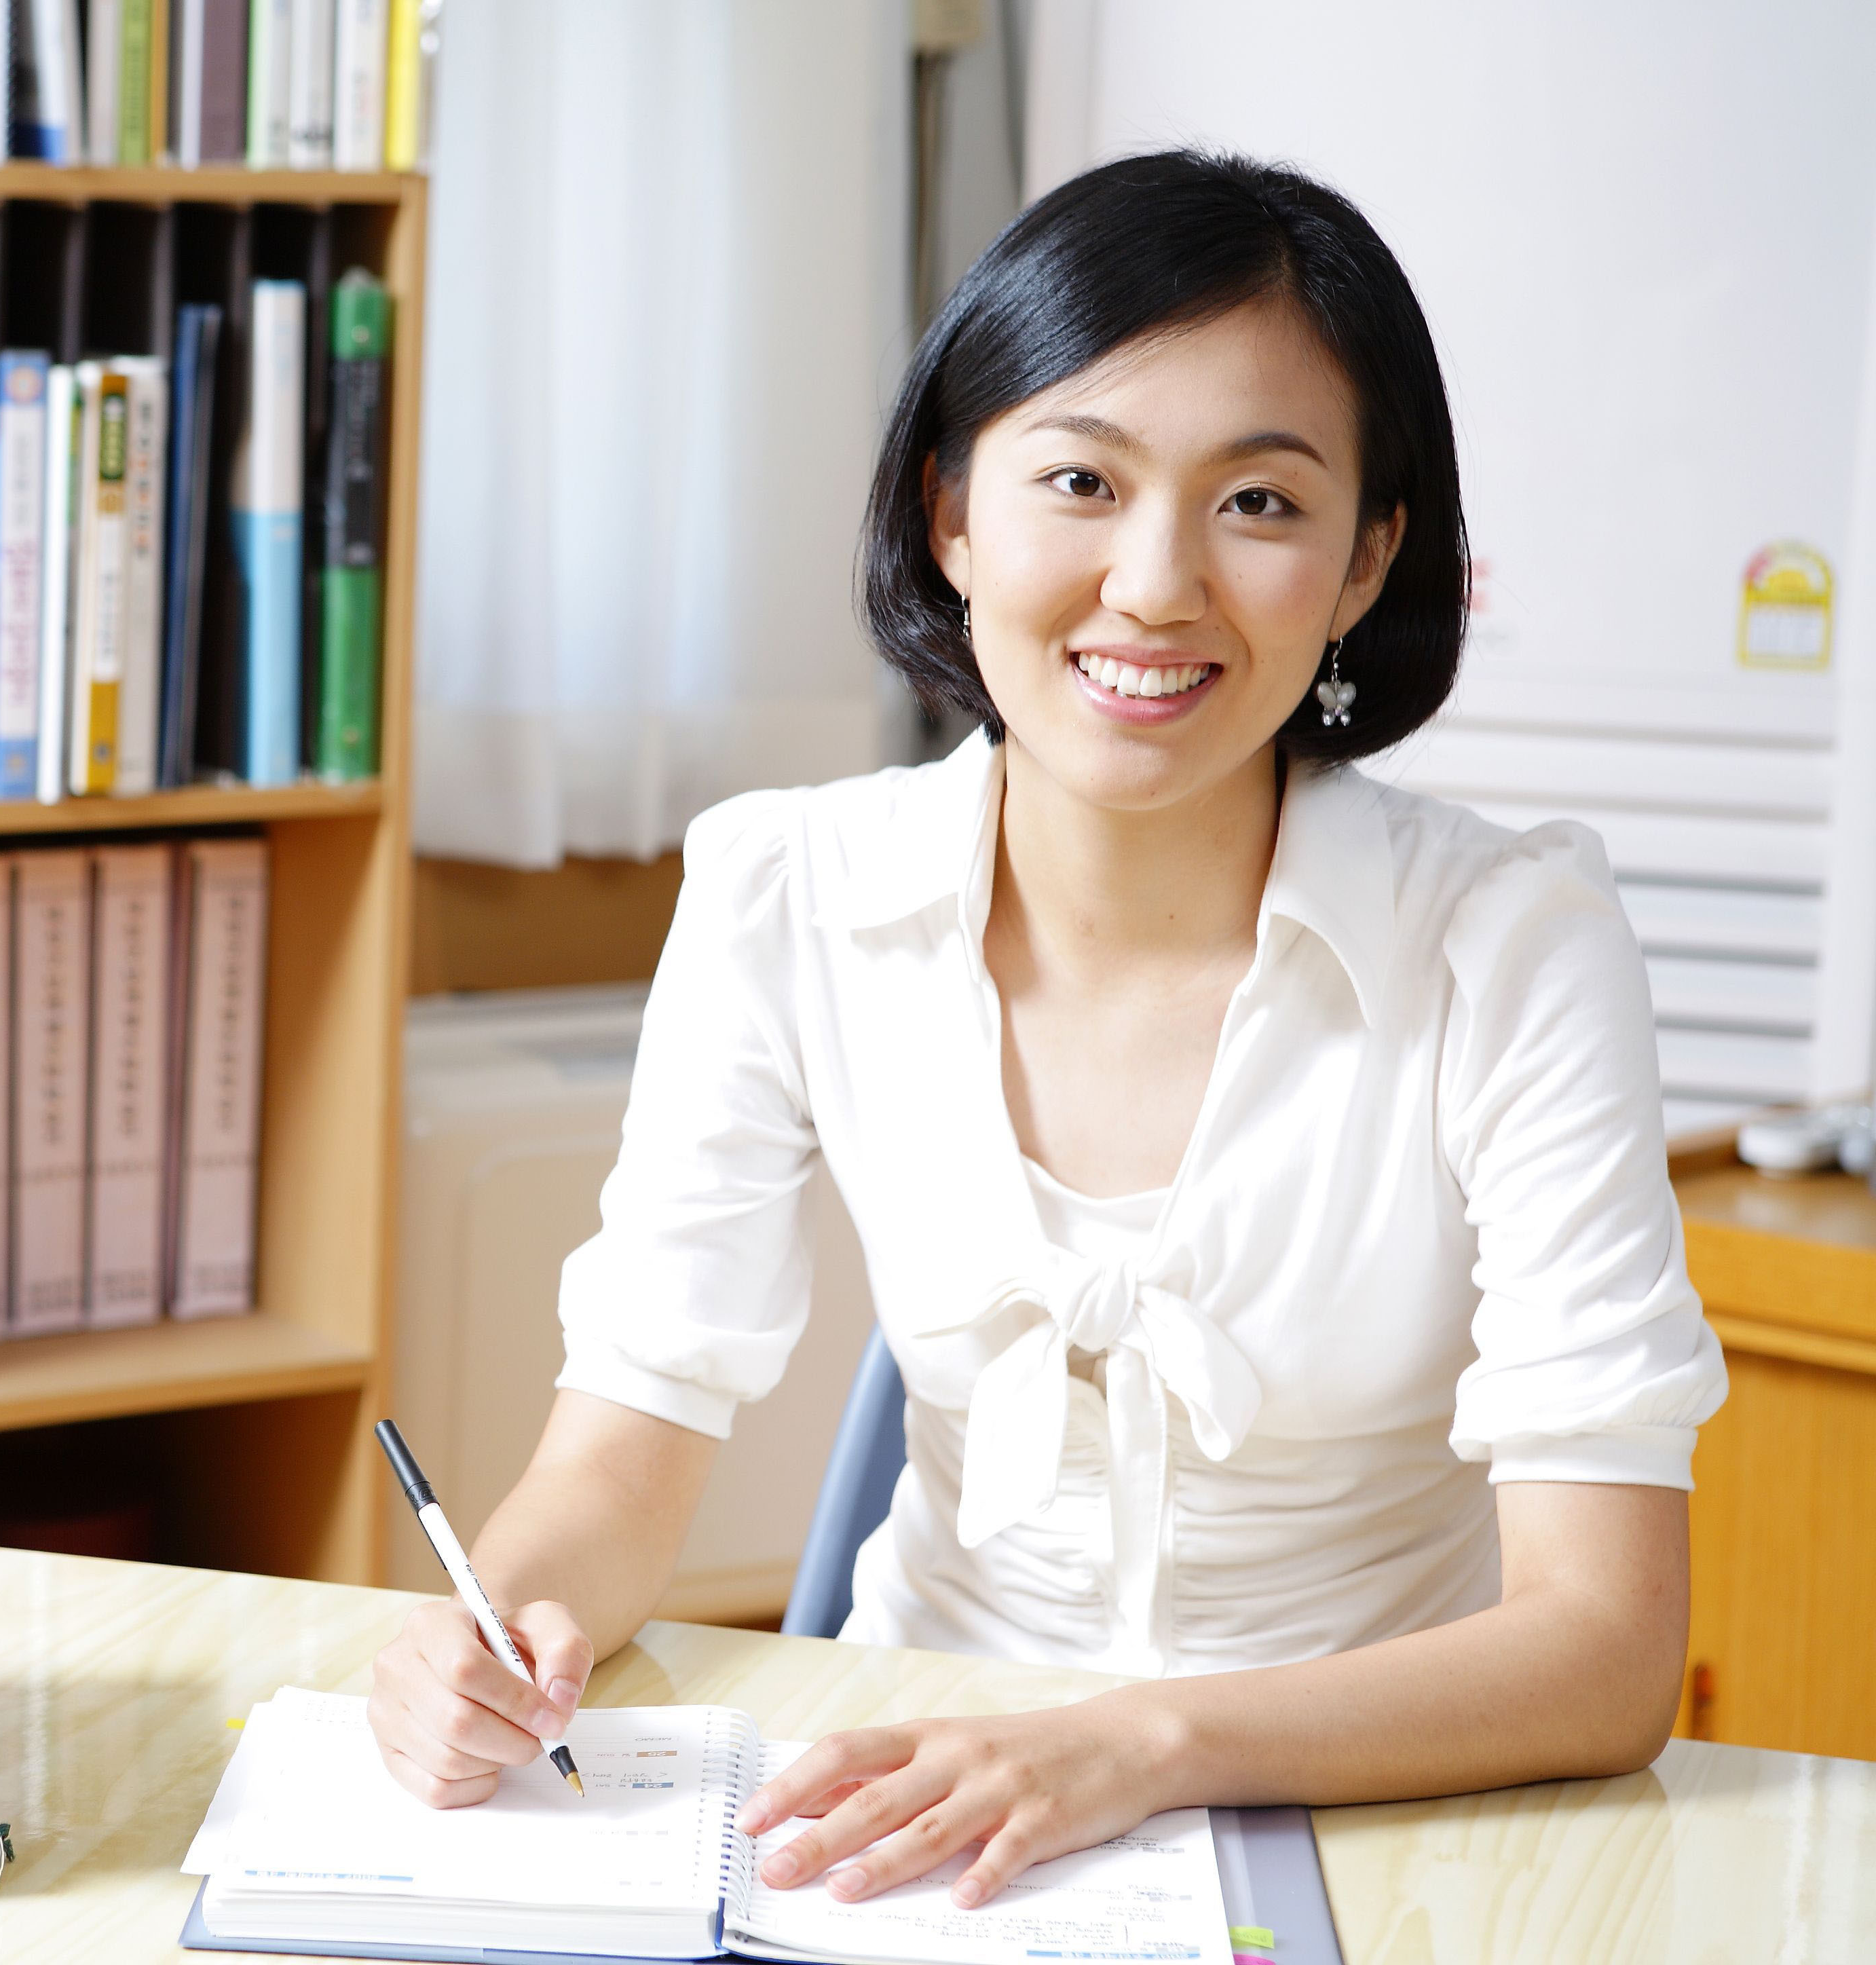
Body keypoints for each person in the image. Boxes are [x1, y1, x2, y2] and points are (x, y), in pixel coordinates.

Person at [364, 149, 1727, 1908]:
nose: (1155, 587)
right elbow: (619, 1459)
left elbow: (1607, 1646)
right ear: (950, 512)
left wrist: (1146, 1746)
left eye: (1261, 503)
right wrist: (492, 1634)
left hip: (1376, 1824)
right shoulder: (784, 888)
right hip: (912, 1819)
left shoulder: (1512, 942)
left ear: (1371, 556)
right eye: (1080, 479)